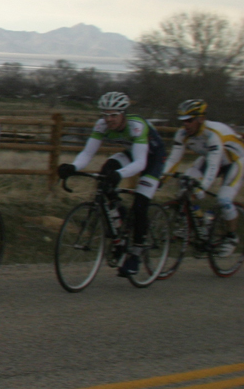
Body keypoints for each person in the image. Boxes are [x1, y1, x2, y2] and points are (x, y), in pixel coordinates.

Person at [57, 91, 165, 277]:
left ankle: (136, 255)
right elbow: (87, 153)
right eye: (105, 115)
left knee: (140, 204)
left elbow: (141, 163)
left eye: (114, 115)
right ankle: (119, 221)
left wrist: (119, 174)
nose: (109, 120)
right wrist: (73, 166)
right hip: (132, 152)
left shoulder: (136, 126)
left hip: (153, 158)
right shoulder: (101, 125)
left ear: (123, 113)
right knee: (106, 173)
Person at [161, 99, 242, 257]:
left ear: (201, 119)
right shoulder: (182, 134)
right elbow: (173, 160)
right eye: (183, 121)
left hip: (236, 161)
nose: (186, 125)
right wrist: (160, 180)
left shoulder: (212, 134)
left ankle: (232, 237)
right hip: (213, 158)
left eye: (189, 120)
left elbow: (213, 165)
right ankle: (198, 222)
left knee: (224, 199)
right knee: (185, 182)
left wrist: (202, 187)